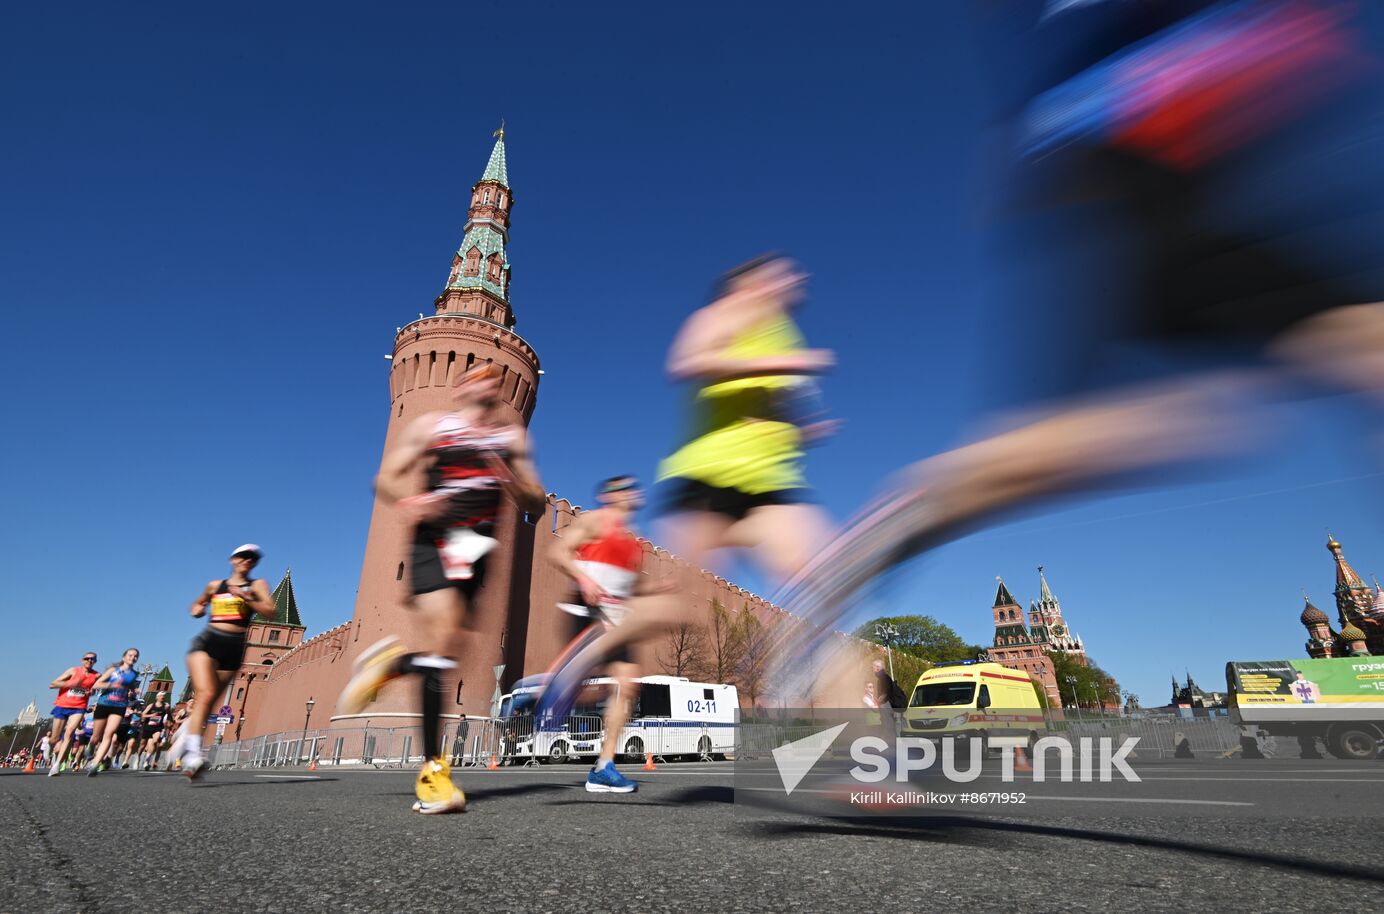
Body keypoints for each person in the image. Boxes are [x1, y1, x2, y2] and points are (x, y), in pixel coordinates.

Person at [773, 0, 1384, 696]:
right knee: (1248, 401)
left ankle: (905, 513)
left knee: (1183, 425)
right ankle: (905, 512)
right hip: (1153, 120)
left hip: (1176, 125)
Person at [337, 363, 546, 814]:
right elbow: (388, 476)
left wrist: (507, 476)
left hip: (478, 547)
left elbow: (536, 501)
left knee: (446, 654)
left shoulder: (510, 440)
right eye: (478, 379)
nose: (487, 386)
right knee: (446, 638)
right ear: (461, 387)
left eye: (495, 381)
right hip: (435, 539)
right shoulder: (434, 426)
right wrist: (416, 500)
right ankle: (434, 772)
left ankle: (395, 663)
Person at [655, 255, 834, 582]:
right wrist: (783, 363)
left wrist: (804, 431)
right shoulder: (725, 312)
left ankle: (794, 635)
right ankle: (603, 630)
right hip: (708, 478)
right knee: (679, 603)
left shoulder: (783, 333)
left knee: (823, 575)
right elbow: (685, 362)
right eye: (783, 274)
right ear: (753, 283)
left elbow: (768, 410)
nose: (796, 279)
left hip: (770, 481)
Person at [539, 475, 682, 793]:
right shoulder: (593, 521)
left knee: (628, 686)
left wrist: (658, 587)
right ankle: (565, 682)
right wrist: (584, 579)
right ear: (611, 495)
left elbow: (630, 585)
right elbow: (558, 553)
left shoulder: (633, 541)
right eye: (629, 488)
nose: (636, 492)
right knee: (588, 680)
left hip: (616, 616)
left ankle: (604, 766)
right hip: (587, 611)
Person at [179, 545, 275, 779]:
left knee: (209, 701)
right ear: (233, 559)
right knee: (206, 693)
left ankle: (186, 735)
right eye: (243, 556)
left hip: (234, 645)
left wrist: (246, 596)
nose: (247, 561)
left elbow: (270, 611)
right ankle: (192, 755)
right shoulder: (215, 585)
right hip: (209, 640)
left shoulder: (257, 585)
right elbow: (198, 603)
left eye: (252, 558)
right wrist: (197, 609)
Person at [86, 648, 141, 776]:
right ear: (124, 657)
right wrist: (112, 685)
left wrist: (134, 690)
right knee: (96, 736)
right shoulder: (113, 670)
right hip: (104, 703)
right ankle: (91, 746)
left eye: (135, 656)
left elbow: (129, 685)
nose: (133, 657)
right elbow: (97, 684)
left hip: (120, 705)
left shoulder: (134, 674)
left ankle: (95, 764)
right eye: (130, 655)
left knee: (109, 734)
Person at [45, 650, 99, 776]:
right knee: (55, 738)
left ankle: (56, 765)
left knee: (69, 732)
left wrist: (92, 692)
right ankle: (50, 745)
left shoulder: (96, 675)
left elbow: (96, 689)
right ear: (82, 660)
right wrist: (71, 683)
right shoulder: (73, 671)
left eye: (93, 659)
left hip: (79, 707)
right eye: (87, 658)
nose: (90, 661)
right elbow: (52, 684)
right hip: (62, 705)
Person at [138, 691, 171, 771]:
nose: (163, 697)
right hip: (148, 727)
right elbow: (143, 714)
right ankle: (138, 757)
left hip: (158, 727)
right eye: (161, 696)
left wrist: (168, 712)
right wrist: (151, 715)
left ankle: (147, 761)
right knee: (142, 744)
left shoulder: (165, 706)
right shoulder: (151, 705)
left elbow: (169, 715)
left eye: (164, 696)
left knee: (155, 741)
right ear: (157, 697)